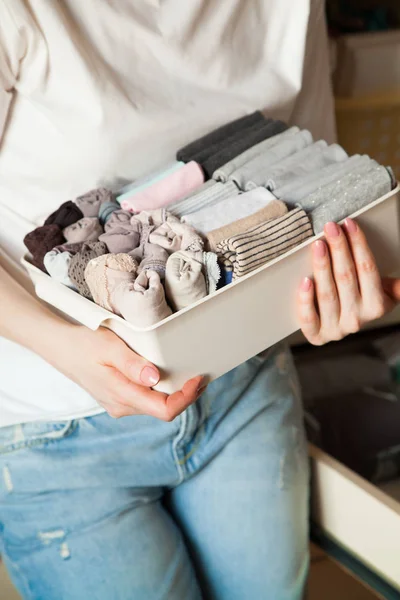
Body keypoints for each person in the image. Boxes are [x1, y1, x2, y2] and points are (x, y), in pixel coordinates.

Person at [0, 1, 399, 599]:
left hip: (244, 384)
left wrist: (327, 299)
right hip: (55, 427)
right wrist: (69, 348)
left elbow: (311, 191)